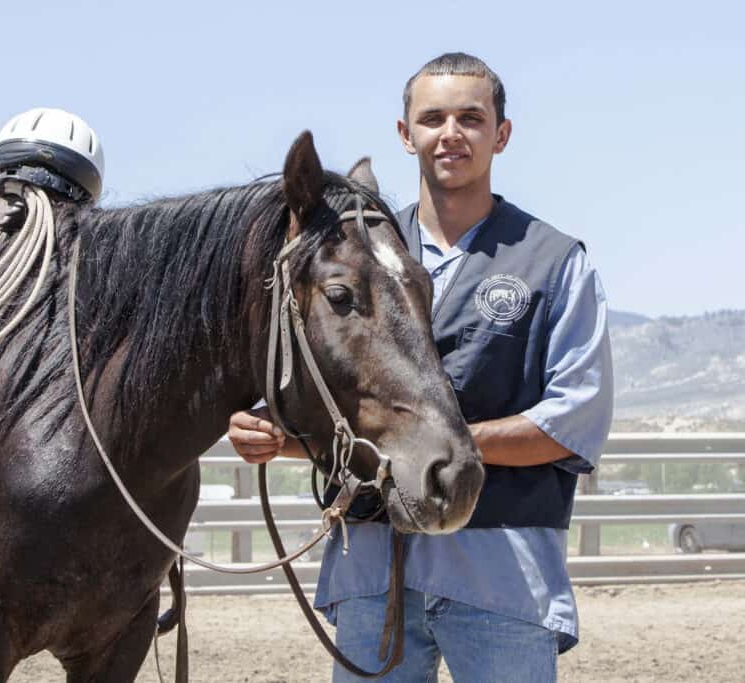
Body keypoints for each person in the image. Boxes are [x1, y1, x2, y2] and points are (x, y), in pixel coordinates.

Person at [227, 53, 614, 682]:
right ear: (406, 135)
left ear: (501, 134)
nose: (451, 133)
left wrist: (438, 448)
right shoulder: (352, 252)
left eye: (471, 117)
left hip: (500, 576)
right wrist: (278, 438)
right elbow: (336, 399)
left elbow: (571, 422)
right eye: (433, 118)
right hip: (371, 571)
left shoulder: (555, 262)